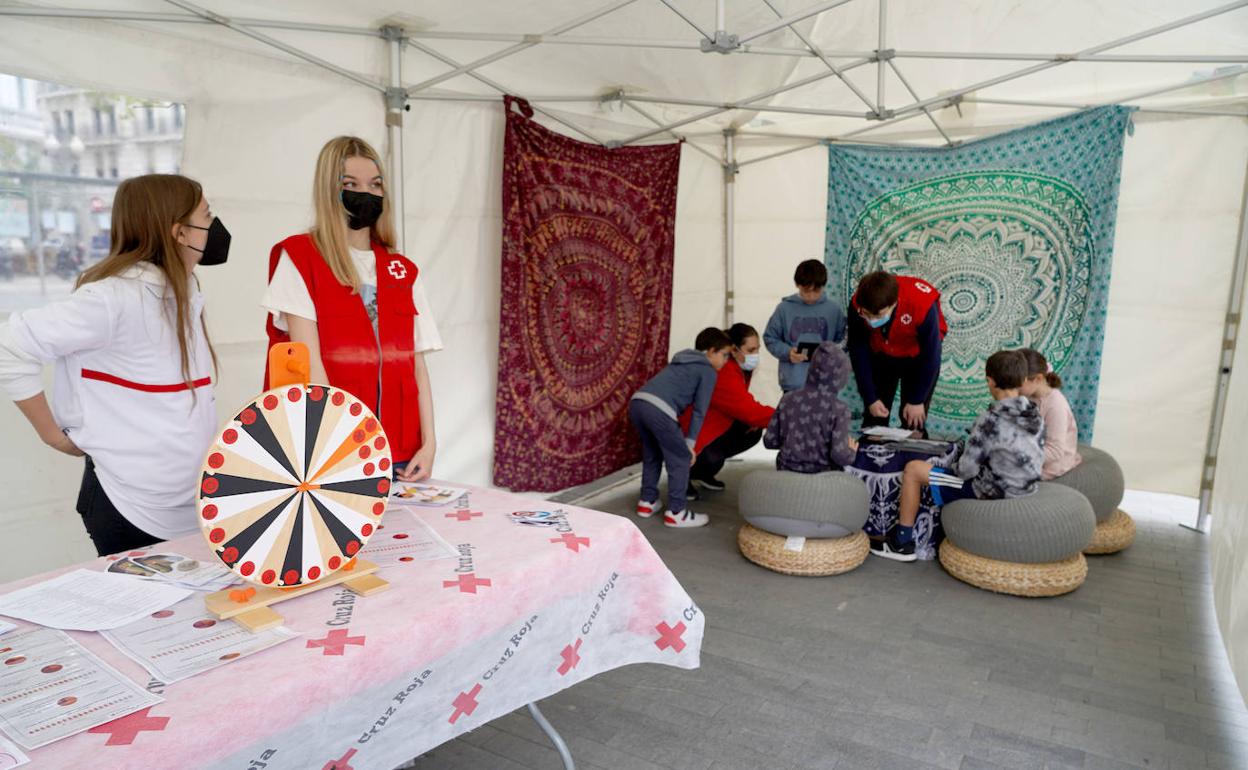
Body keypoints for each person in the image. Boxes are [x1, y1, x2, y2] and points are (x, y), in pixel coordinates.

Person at [0, 174, 229, 555]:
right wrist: (53, 435)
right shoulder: (114, 298)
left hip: (185, 504)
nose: (215, 227)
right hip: (129, 508)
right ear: (179, 232)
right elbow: (10, 346)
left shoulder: (183, 289)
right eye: (207, 216)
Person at [261, 136, 441, 482]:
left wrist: (430, 442)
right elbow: (308, 362)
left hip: (401, 452)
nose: (367, 194)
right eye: (351, 184)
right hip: (330, 450)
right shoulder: (300, 258)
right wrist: (344, 444)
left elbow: (416, 363)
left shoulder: (401, 269)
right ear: (330, 191)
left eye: (375, 185)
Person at [879, 350, 1044, 562]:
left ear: (990, 381)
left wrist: (951, 466)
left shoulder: (989, 419)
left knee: (913, 469)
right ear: (1022, 380)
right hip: (1026, 487)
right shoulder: (1034, 413)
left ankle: (902, 542)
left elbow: (967, 470)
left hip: (990, 490)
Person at [629, 328, 732, 528]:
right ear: (711, 351)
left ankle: (647, 502)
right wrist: (690, 443)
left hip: (638, 403)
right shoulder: (707, 370)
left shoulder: (681, 360)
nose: (726, 360)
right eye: (725, 354)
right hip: (659, 410)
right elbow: (699, 410)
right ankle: (677, 512)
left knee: (652, 453)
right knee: (681, 458)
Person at [679, 322, 776, 497]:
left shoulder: (737, 367)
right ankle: (684, 474)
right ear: (734, 349)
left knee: (751, 432)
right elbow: (749, 410)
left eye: (757, 349)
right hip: (692, 430)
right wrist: (788, 417)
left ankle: (702, 473)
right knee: (714, 454)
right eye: (751, 350)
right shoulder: (723, 371)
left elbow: (744, 406)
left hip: (711, 422)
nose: (756, 355)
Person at [848, 270, 947, 433]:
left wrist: (917, 399)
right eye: (866, 314)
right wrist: (870, 398)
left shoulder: (921, 304)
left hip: (918, 358)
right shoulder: (858, 303)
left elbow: (932, 356)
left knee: (913, 420)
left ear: (894, 304)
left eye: (877, 315)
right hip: (882, 355)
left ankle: (911, 456)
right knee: (874, 419)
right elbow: (859, 350)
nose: (871, 320)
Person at [764, 342, 859, 473]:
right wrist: (851, 452)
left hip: (786, 476)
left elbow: (770, 441)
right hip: (823, 482)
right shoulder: (839, 409)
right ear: (840, 375)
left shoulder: (788, 399)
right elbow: (839, 455)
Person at [763, 259, 847, 393]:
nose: (812, 296)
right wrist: (788, 352)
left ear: (824, 286)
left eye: (816, 291)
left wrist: (832, 353)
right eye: (807, 291)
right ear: (797, 284)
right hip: (793, 382)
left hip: (825, 383)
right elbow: (770, 338)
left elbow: (844, 340)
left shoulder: (834, 310)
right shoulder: (784, 309)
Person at [1019, 348, 1082, 480]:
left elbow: (1055, 451)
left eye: (1018, 383)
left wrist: (1019, 455)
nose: (1013, 387)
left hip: (1051, 465)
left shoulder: (1055, 405)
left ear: (1038, 379)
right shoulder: (1028, 396)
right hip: (1032, 452)